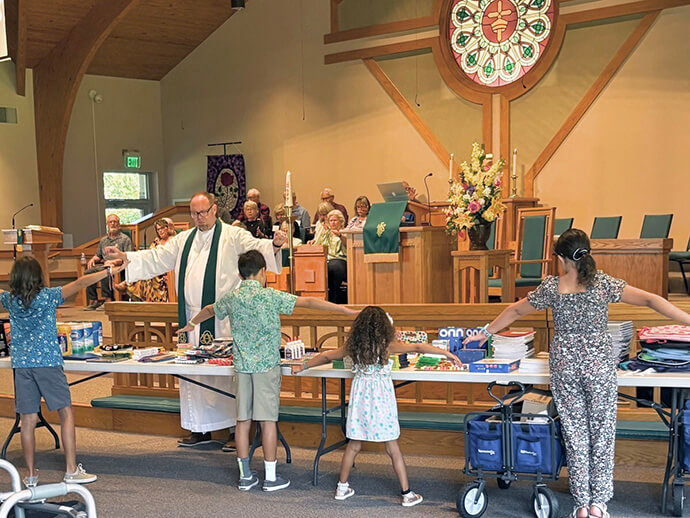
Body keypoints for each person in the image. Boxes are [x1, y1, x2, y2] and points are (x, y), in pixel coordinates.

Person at [465, 229, 690, 518]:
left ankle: (581, 505)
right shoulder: (602, 284)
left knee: (574, 434)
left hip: (565, 367)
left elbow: (514, 311)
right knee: (602, 433)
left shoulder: (551, 287)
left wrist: (484, 334)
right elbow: (651, 300)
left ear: (560, 257)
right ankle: (599, 504)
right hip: (598, 367)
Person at [105, 192, 288, 450]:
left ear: (214, 209)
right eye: (194, 213)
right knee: (193, 374)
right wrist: (127, 258)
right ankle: (200, 428)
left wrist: (275, 246)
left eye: (203, 212)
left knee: (224, 375)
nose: (199, 218)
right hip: (191, 318)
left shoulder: (232, 235)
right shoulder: (183, 240)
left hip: (221, 319)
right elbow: (158, 257)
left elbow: (257, 248)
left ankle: (234, 433)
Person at [178, 250, 358, 492]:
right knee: (268, 421)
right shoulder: (270, 296)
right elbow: (309, 302)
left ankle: (245, 477)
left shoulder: (232, 297)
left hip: (242, 368)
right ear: (263, 272)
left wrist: (192, 324)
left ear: (240, 274)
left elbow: (210, 309)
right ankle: (271, 478)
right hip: (266, 367)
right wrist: (344, 311)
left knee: (242, 421)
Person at [293, 306, 460, 506]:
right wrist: (445, 353)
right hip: (382, 401)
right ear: (385, 327)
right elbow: (418, 348)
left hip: (361, 400)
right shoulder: (387, 346)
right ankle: (407, 494)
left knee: (354, 445)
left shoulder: (353, 347)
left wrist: (303, 366)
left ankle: (342, 488)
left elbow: (327, 356)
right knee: (392, 446)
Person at [0, 256, 129, 487]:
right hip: (48, 363)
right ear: (38, 276)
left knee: (27, 420)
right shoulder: (48, 297)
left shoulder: (10, 300)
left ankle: (30, 475)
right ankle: (70, 470)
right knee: (65, 412)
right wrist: (109, 272)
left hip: (21, 366)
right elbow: (80, 283)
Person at [115, 218, 175, 302]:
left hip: (165, 269)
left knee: (147, 271)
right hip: (153, 265)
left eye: (163, 228)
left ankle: (128, 283)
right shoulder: (157, 241)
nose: (161, 231)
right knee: (141, 261)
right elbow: (150, 253)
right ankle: (128, 283)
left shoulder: (173, 241)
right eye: (158, 229)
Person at [84, 213, 132, 309]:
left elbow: (128, 256)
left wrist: (114, 262)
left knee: (106, 271)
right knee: (88, 272)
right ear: (107, 224)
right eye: (110, 222)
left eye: (115, 222)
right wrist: (93, 259)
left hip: (119, 267)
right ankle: (94, 300)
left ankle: (107, 300)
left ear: (118, 224)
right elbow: (99, 255)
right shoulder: (103, 240)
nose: (113, 224)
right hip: (105, 265)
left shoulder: (125, 239)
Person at [313, 209, 347, 304]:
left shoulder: (345, 232)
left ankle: (334, 299)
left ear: (341, 222)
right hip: (326, 260)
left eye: (335, 220)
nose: (333, 223)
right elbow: (317, 244)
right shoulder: (325, 233)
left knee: (334, 267)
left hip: (340, 260)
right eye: (331, 220)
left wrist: (340, 235)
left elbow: (347, 244)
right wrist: (312, 242)